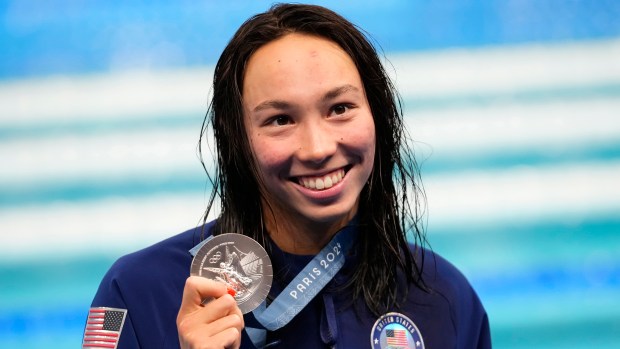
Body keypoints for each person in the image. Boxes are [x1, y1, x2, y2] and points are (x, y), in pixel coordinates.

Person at [84, 3, 491, 349]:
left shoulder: (446, 300)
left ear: (378, 116)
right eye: (280, 119)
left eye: (340, 108)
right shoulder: (135, 294)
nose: (317, 148)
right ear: (237, 141)